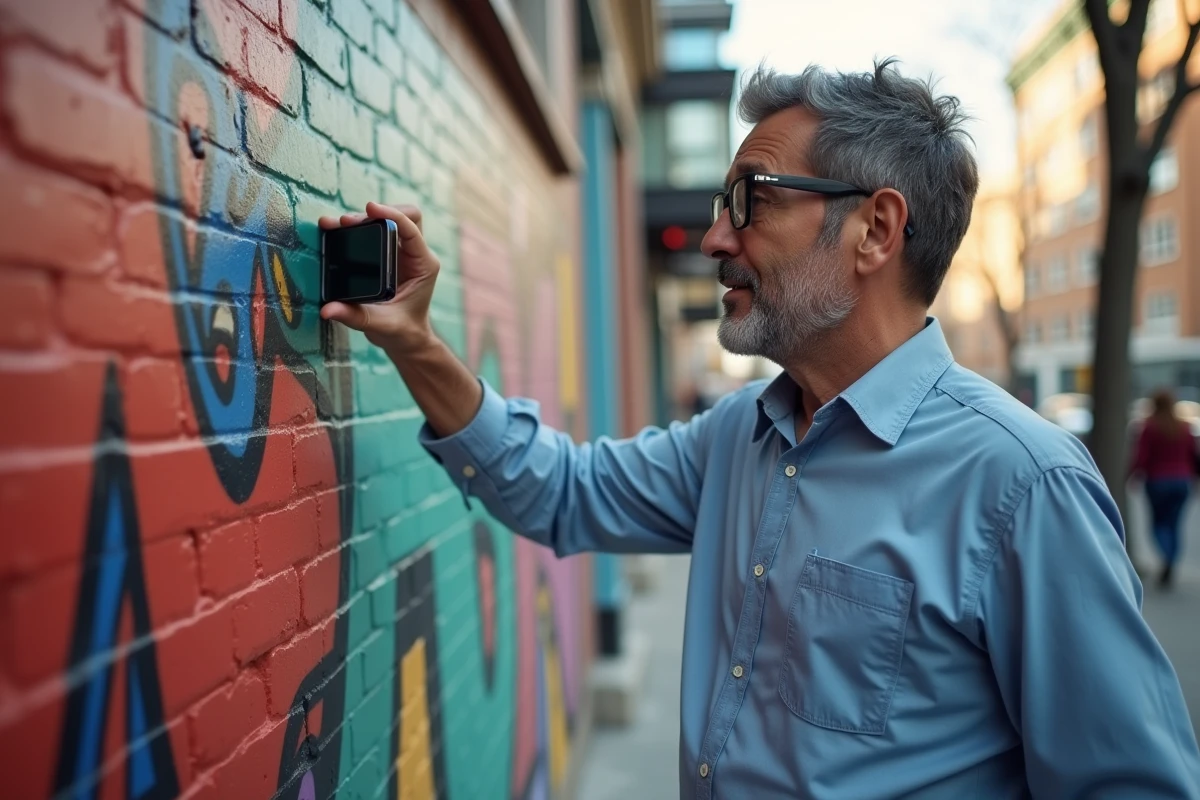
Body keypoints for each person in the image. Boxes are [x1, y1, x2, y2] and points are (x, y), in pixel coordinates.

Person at [319, 60, 1200, 799]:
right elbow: (563, 492)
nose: (713, 238)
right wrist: (416, 343)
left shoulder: (1023, 484)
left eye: (751, 200)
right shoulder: (738, 435)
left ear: (875, 229)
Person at [1130, 388, 1198, 587]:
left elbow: (1142, 456)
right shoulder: (1184, 427)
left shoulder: (1149, 427)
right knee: (1174, 524)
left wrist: (1132, 474)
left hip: (1157, 481)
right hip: (1182, 481)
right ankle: (1171, 560)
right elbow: (1194, 456)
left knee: (1158, 524)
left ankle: (1167, 557)